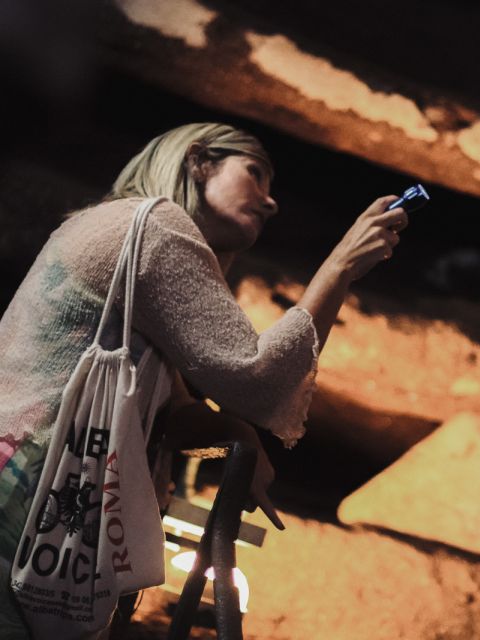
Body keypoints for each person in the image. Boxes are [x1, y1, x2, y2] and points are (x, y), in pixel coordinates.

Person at [0, 122, 408, 636]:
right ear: (198, 162)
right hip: (23, 497)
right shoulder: (153, 226)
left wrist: (236, 434)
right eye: (255, 174)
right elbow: (258, 378)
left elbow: (174, 408)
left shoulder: (118, 227)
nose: (271, 202)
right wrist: (341, 265)